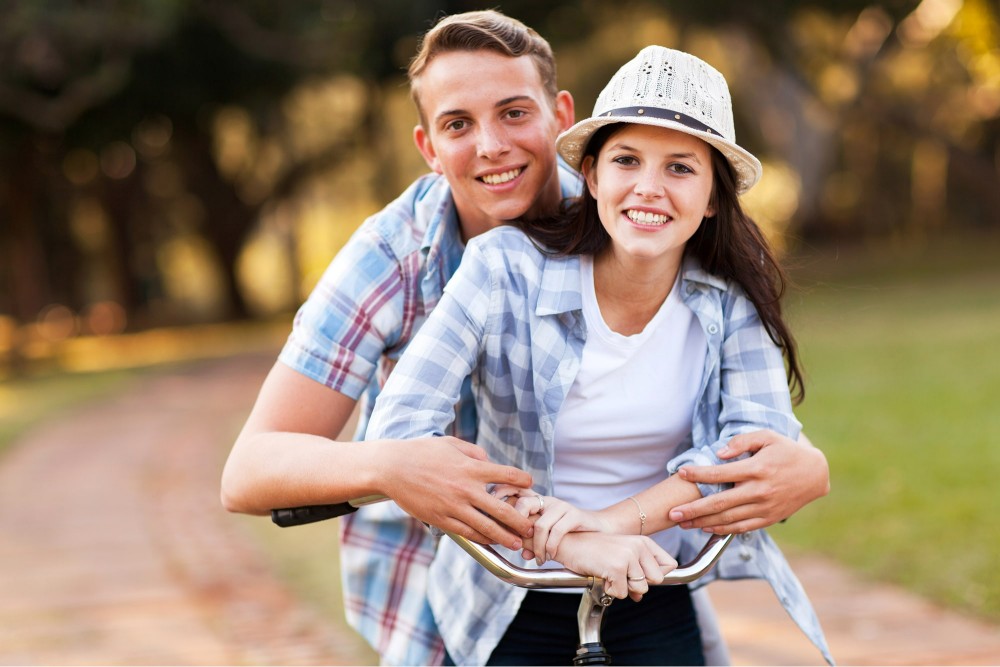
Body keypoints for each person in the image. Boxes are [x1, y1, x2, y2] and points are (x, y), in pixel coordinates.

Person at [220, 10, 830, 666]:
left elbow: (747, 425)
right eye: (459, 124)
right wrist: (388, 464)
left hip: (643, 569)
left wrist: (805, 461)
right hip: (469, 575)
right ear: (428, 147)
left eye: (514, 112)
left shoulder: (649, 223)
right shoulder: (399, 255)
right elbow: (249, 472)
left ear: (560, 116)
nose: (491, 146)